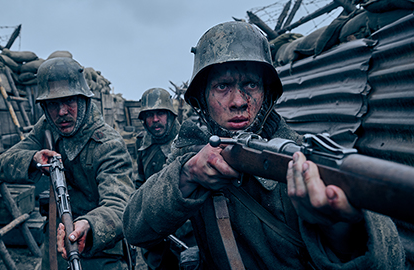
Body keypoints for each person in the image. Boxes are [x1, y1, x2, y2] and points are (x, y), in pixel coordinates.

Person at [122, 21, 405, 269]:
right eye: (222, 87)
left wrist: (342, 230)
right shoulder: (191, 154)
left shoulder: (296, 157)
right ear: (202, 100)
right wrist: (186, 175)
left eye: (251, 85)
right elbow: (135, 229)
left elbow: (389, 260)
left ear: (267, 95)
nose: (238, 101)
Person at [0, 57, 135, 269]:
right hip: (54, 246)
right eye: (53, 104)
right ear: (44, 107)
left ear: (83, 100)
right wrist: (33, 159)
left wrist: (87, 225)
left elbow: (120, 205)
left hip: (98, 248)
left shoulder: (108, 144)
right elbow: (1, 165)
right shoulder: (47, 128)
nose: (61, 112)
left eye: (69, 101)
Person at [135, 88, 196, 269]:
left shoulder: (188, 139)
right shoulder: (143, 143)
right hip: (156, 233)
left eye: (160, 113)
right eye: (150, 115)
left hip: (187, 231)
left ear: (170, 115)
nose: (155, 120)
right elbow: (140, 181)